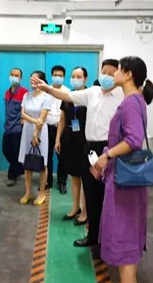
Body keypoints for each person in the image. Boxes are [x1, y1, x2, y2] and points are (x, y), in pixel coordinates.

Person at [32, 59, 123, 257]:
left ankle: (105, 242)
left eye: (111, 73)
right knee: (90, 194)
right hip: (89, 148)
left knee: (105, 198)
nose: (107, 76)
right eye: (104, 71)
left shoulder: (121, 95)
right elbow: (67, 95)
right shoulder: (93, 92)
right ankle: (92, 236)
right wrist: (47, 88)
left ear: (118, 75)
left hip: (108, 150)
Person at [91, 56, 153, 283]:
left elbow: (134, 140)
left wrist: (106, 156)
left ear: (128, 75)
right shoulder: (137, 100)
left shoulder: (129, 103)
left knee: (124, 231)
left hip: (124, 181)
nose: (112, 74)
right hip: (129, 180)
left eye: (117, 71)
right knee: (130, 230)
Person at [55, 67, 89, 223]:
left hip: (85, 139)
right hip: (69, 139)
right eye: (73, 76)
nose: (76, 79)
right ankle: (75, 207)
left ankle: (86, 211)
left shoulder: (90, 96)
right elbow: (62, 119)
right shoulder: (67, 96)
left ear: (85, 79)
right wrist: (58, 139)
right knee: (74, 176)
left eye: (79, 76)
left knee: (86, 177)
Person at [18, 71, 51, 206]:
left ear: (42, 81)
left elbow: (42, 119)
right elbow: (23, 114)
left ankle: (42, 193)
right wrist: (33, 121)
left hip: (41, 131)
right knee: (27, 162)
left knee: (42, 163)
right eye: (31, 79)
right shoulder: (26, 95)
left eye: (36, 80)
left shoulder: (46, 97)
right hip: (27, 129)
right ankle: (27, 192)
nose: (33, 82)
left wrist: (35, 133)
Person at [46, 65, 71, 193]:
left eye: (60, 76)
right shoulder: (46, 91)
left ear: (64, 77)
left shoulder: (67, 92)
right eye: (55, 75)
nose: (57, 77)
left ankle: (62, 182)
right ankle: (48, 181)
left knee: (63, 157)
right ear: (51, 76)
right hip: (47, 127)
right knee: (47, 156)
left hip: (62, 129)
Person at [2, 68, 27, 187]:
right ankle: (20, 168)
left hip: (17, 128)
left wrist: (26, 119)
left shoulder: (24, 92)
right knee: (5, 151)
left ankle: (12, 176)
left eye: (16, 75)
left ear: (21, 78)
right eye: (12, 74)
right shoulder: (7, 92)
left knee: (15, 152)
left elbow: (29, 108)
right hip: (7, 127)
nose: (14, 77)